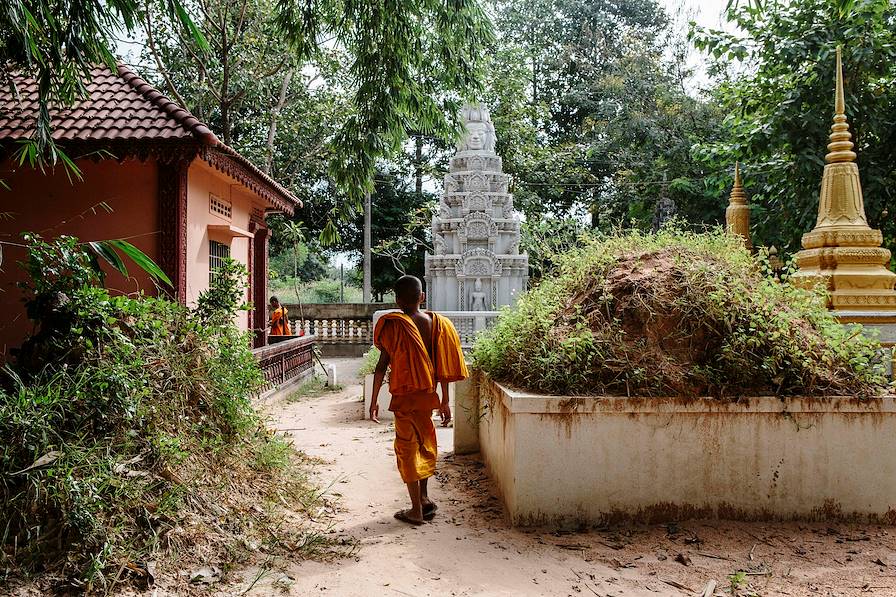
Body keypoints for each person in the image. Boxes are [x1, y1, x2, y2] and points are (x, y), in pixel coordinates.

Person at [370, 275, 467, 526]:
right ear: (422, 297)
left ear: (397, 300)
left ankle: (415, 510)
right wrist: (445, 400)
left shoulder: (392, 325)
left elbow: (381, 366)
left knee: (407, 449)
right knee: (425, 445)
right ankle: (423, 499)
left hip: (403, 399)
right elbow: (442, 364)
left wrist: (373, 400)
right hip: (428, 398)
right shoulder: (436, 324)